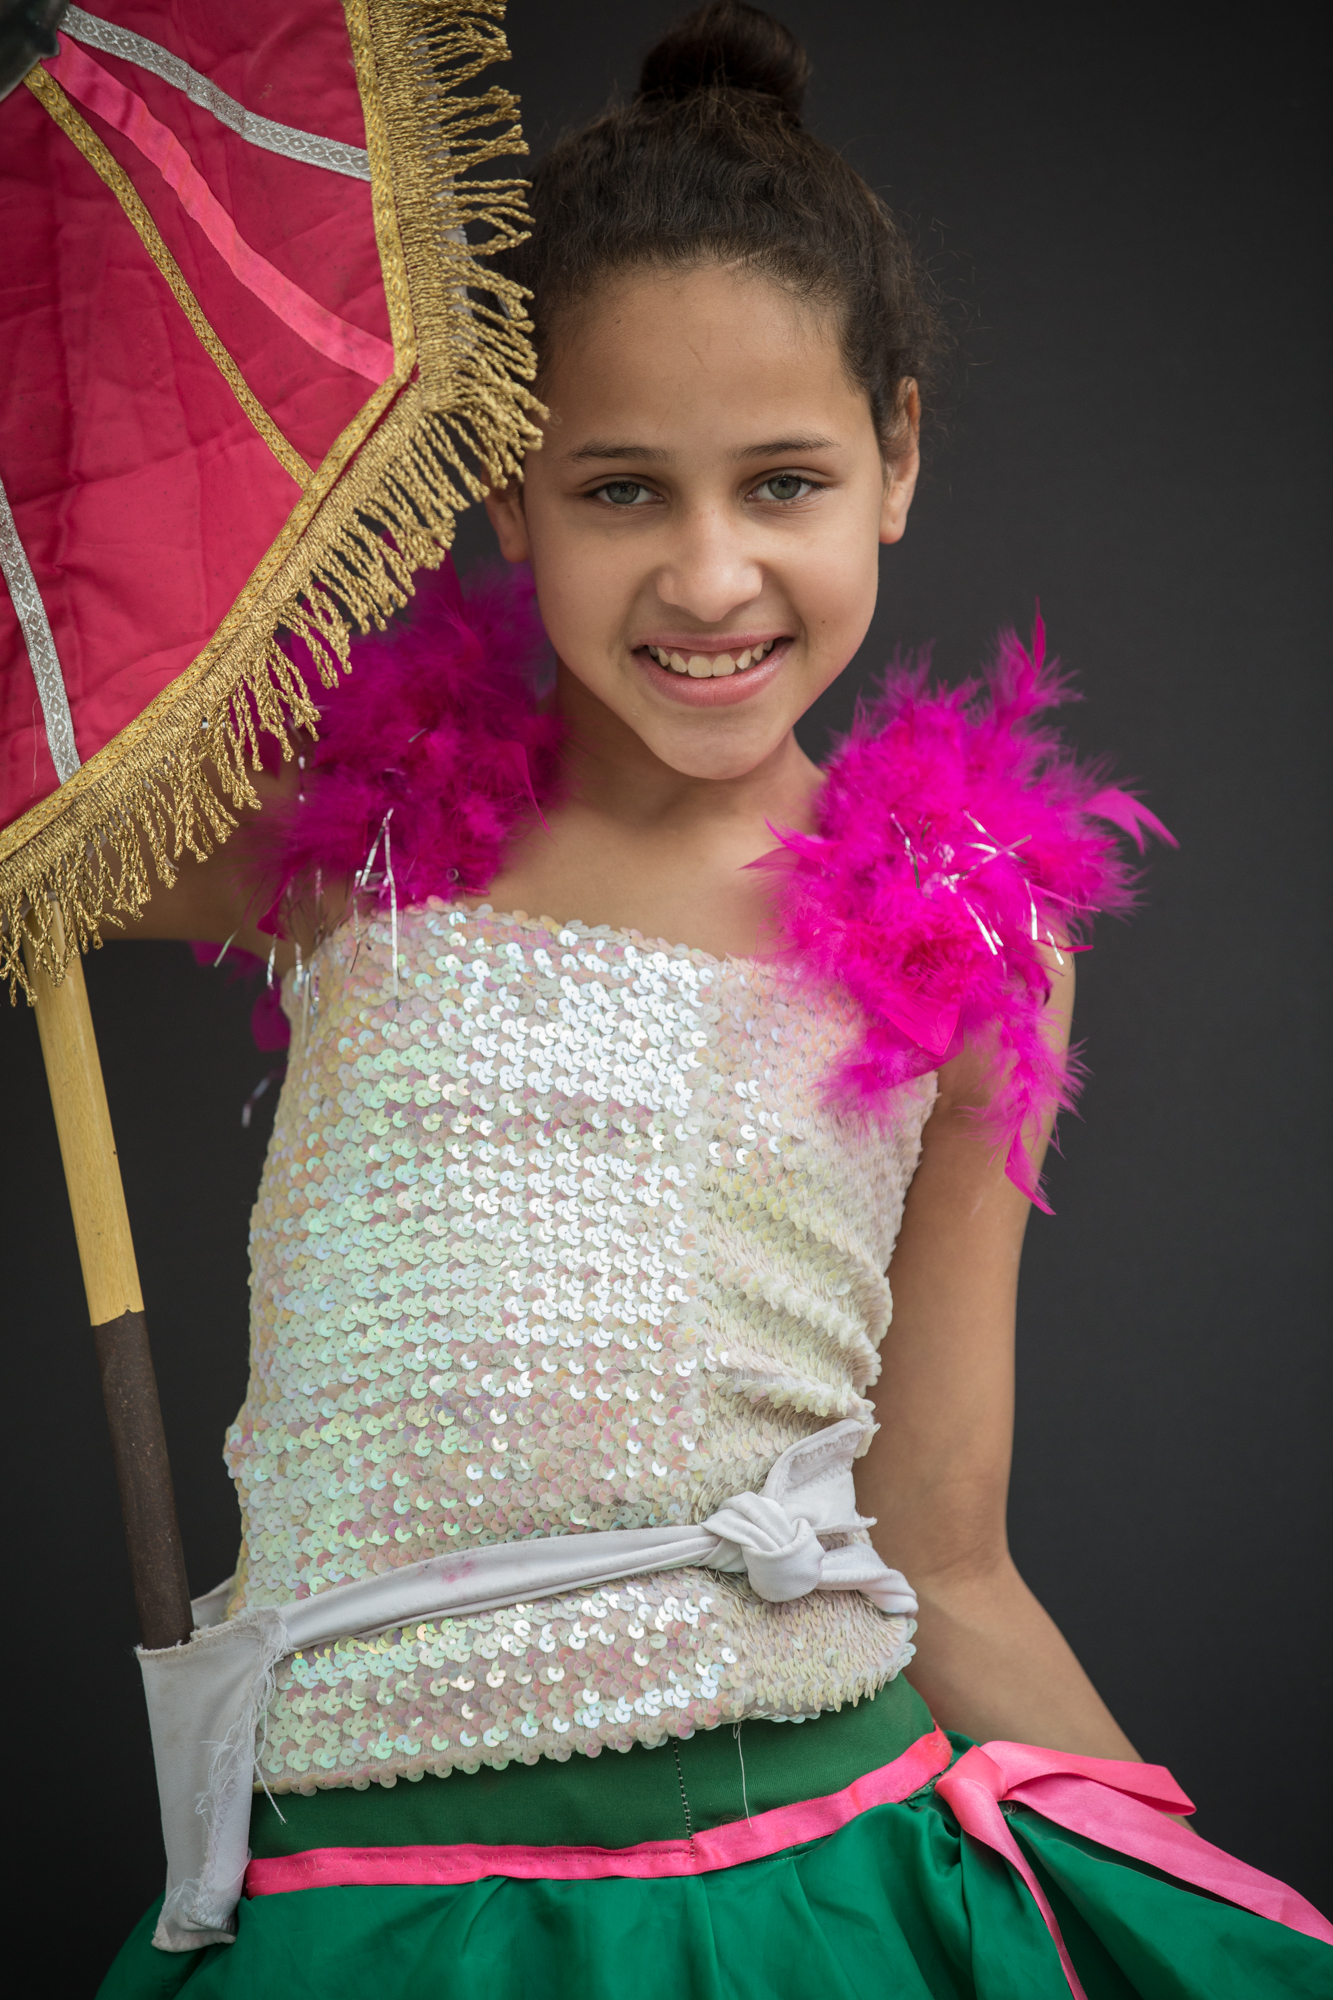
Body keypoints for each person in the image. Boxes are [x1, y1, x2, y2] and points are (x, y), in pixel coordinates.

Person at [98, 5, 1330, 1994]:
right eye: (619, 491)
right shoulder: (349, 844)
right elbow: (37, 810)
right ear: (509, 490)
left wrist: (1205, 1930)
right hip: (356, 1903)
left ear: (893, 459)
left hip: (794, 1879)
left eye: (779, 483)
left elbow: (942, 1548)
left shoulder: (974, 935)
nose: (707, 576)